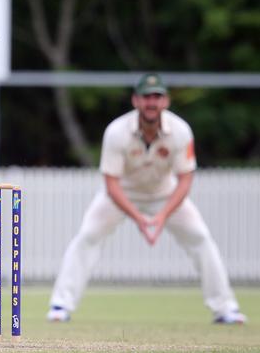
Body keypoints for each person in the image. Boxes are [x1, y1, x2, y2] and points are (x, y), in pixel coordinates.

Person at [47, 73, 247, 325]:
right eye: (146, 97)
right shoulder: (117, 132)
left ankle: (225, 308)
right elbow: (111, 184)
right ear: (135, 101)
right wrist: (141, 220)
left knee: (201, 238)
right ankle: (60, 305)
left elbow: (185, 179)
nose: (151, 102)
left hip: (165, 194)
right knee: (88, 236)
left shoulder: (180, 131)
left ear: (166, 101)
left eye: (157, 97)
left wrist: (161, 217)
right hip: (121, 194)